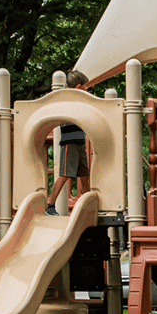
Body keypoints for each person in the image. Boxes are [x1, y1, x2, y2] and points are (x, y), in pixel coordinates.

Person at [46, 69, 90, 216]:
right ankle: (50, 205)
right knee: (64, 175)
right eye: (85, 86)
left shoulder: (79, 101)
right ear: (78, 87)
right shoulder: (68, 100)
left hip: (79, 142)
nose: (87, 88)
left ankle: (88, 205)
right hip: (69, 142)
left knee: (84, 176)